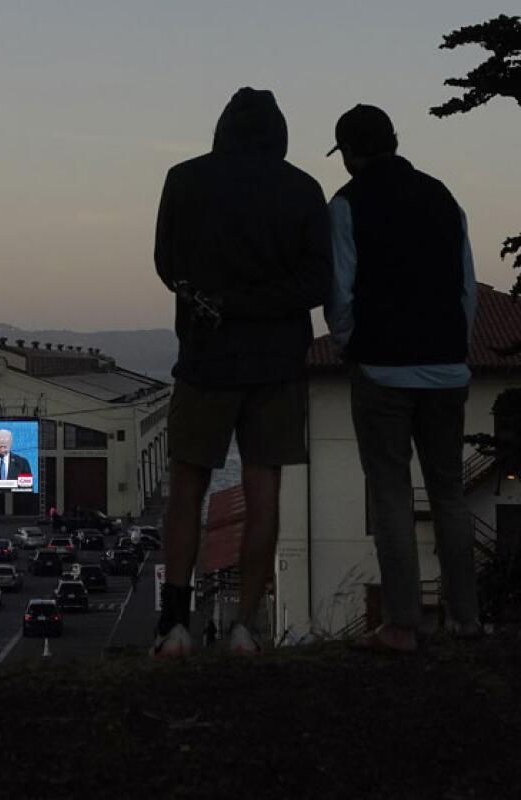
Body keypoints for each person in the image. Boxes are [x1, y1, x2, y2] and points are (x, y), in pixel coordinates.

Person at [152, 87, 331, 658]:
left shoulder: (183, 179)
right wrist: (259, 304)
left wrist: (218, 303)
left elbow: (166, 265)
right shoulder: (303, 189)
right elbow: (315, 283)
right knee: (263, 491)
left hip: (205, 357)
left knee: (186, 490)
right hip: (277, 363)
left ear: (222, 127)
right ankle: (246, 628)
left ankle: (174, 626)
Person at [323, 104, 481, 652]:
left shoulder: (346, 205)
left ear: (348, 152)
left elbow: (340, 291)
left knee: (390, 492)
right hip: (447, 369)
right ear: (394, 140)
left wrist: (348, 345)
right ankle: (467, 619)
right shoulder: (442, 197)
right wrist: (456, 349)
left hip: (382, 370)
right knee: (449, 493)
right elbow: (467, 287)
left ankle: (402, 624)